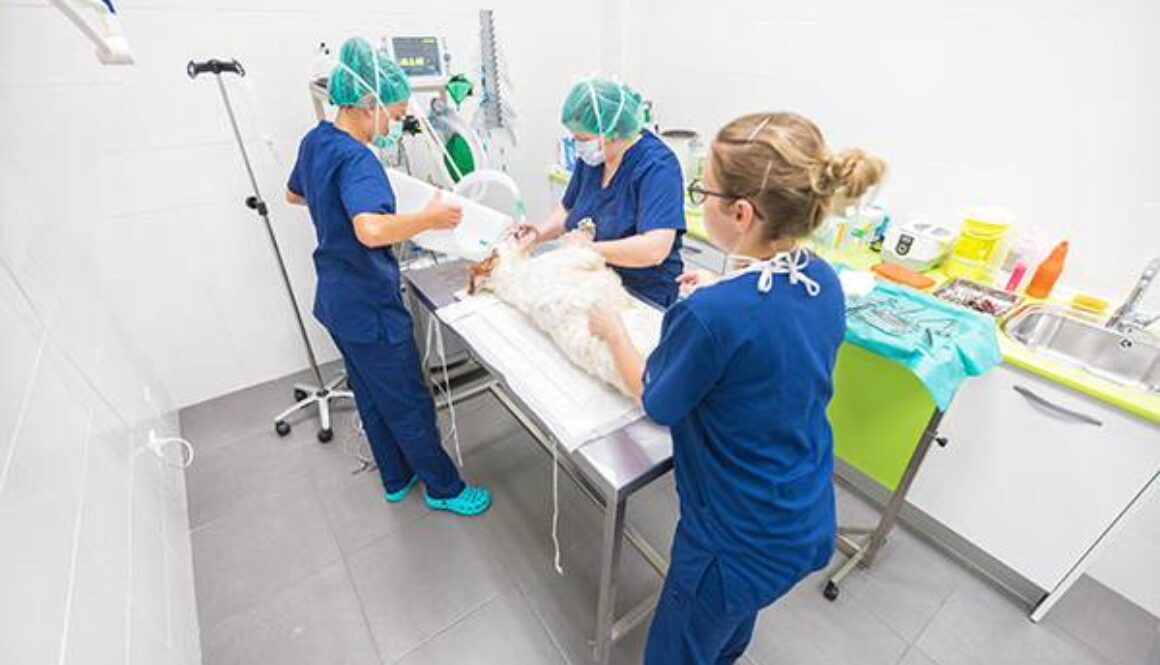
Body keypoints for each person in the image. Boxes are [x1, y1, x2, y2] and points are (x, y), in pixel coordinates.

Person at [589, 112, 886, 663]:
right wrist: (725, 287)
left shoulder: (709, 316)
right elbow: (772, 338)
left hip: (730, 543)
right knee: (726, 631)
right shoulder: (822, 278)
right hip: (802, 517)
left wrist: (613, 333)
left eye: (704, 189)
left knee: (680, 648)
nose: (697, 200)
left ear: (741, 213)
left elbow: (655, 401)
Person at [286, 37, 490, 516]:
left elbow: (295, 195)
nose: (395, 125)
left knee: (371, 394)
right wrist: (429, 220)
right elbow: (372, 229)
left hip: (336, 299)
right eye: (393, 115)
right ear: (368, 104)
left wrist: (342, 199)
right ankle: (444, 488)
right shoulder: (358, 158)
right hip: (368, 304)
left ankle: (397, 479)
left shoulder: (316, 139)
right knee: (408, 399)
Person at [514, 78, 686, 308]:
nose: (577, 146)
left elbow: (654, 249)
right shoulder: (595, 158)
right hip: (596, 280)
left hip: (643, 294)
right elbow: (568, 208)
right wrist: (537, 236)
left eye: (582, 139)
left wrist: (587, 249)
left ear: (612, 130)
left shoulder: (657, 167)